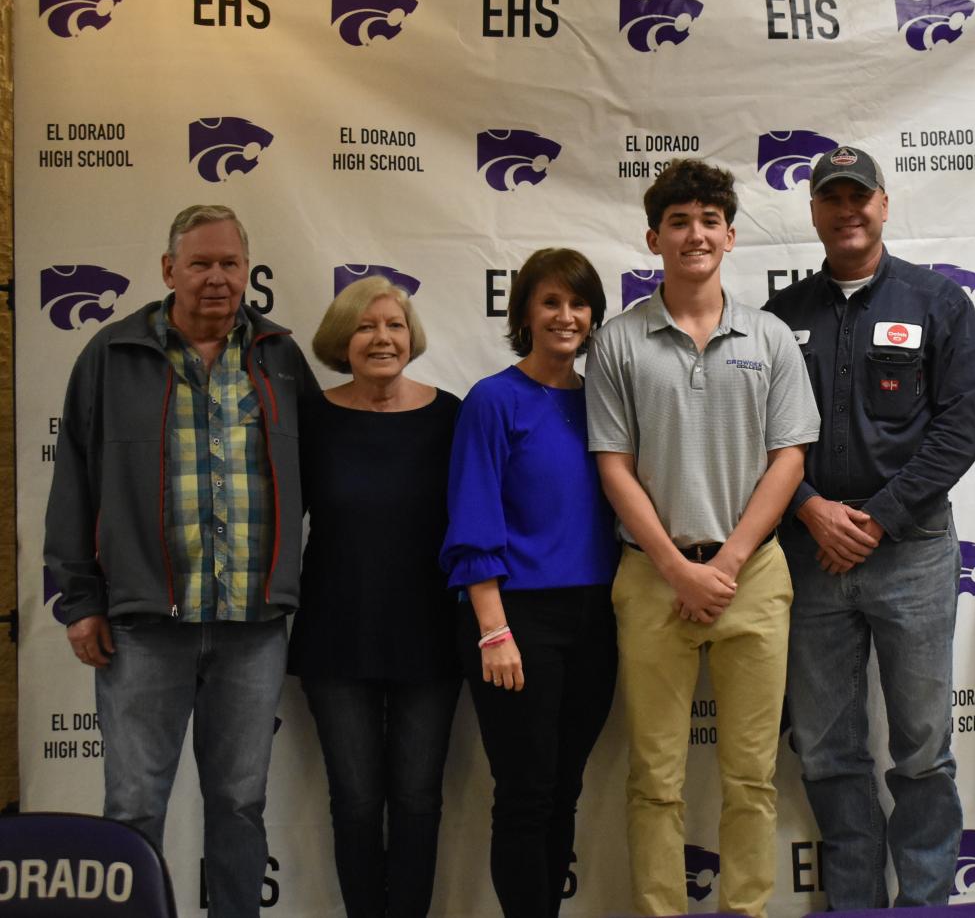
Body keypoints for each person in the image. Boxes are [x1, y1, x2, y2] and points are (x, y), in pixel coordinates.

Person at [44, 204, 314, 918]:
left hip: (252, 627)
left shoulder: (280, 358)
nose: (217, 278)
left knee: (238, 807)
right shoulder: (110, 356)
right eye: (200, 264)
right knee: (132, 809)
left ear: (246, 270)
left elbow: (322, 474)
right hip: (143, 628)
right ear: (169, 271)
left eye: (229, 263)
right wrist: (80, 602)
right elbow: (73, 480)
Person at [586, 159, 820, 918]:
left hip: (750, 576)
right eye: (679, 221)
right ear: (653, 236)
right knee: (655, 778)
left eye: (709, 220)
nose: (695, 233)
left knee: (751, 775)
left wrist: (724, 562)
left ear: (729, 234)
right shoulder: (619, 342)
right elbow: (613, 467)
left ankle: (744, 911)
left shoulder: (772, 336)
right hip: (652, 577)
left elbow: (789, 459)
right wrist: (677, 569)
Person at [765, 145, 975, 910]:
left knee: (922, 748)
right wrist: (811, 510)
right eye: (832, 198)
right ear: (815, 214)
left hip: (913, 551)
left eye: (861, 196)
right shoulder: (779, 318)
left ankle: (924, 904)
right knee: (827, 750)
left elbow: (960, 429)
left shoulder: (939, 303)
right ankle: (854, 904)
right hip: (808, 551)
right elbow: (762, 438)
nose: (848, 209)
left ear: (884, 206)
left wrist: (878, 519)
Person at [440, 248, 620, 918]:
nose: (565, 316)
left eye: (577, 304)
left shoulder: (604, 402)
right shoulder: (493, 400)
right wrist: (494, 629)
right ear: (523, 313)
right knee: (524, 792)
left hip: (596, 619)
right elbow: (473, 517)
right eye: (550, 302)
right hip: (514, 618)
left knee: (564, 788)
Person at [290, 276, 460, 918]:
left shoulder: (453, 416)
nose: (382, 337)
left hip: (432, 633)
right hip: (337, 634)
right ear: (342, 340)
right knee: (356, 802)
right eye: (365, 326)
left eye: (393, 324)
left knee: (419, 799)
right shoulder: (311, 420)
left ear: (410, 335)